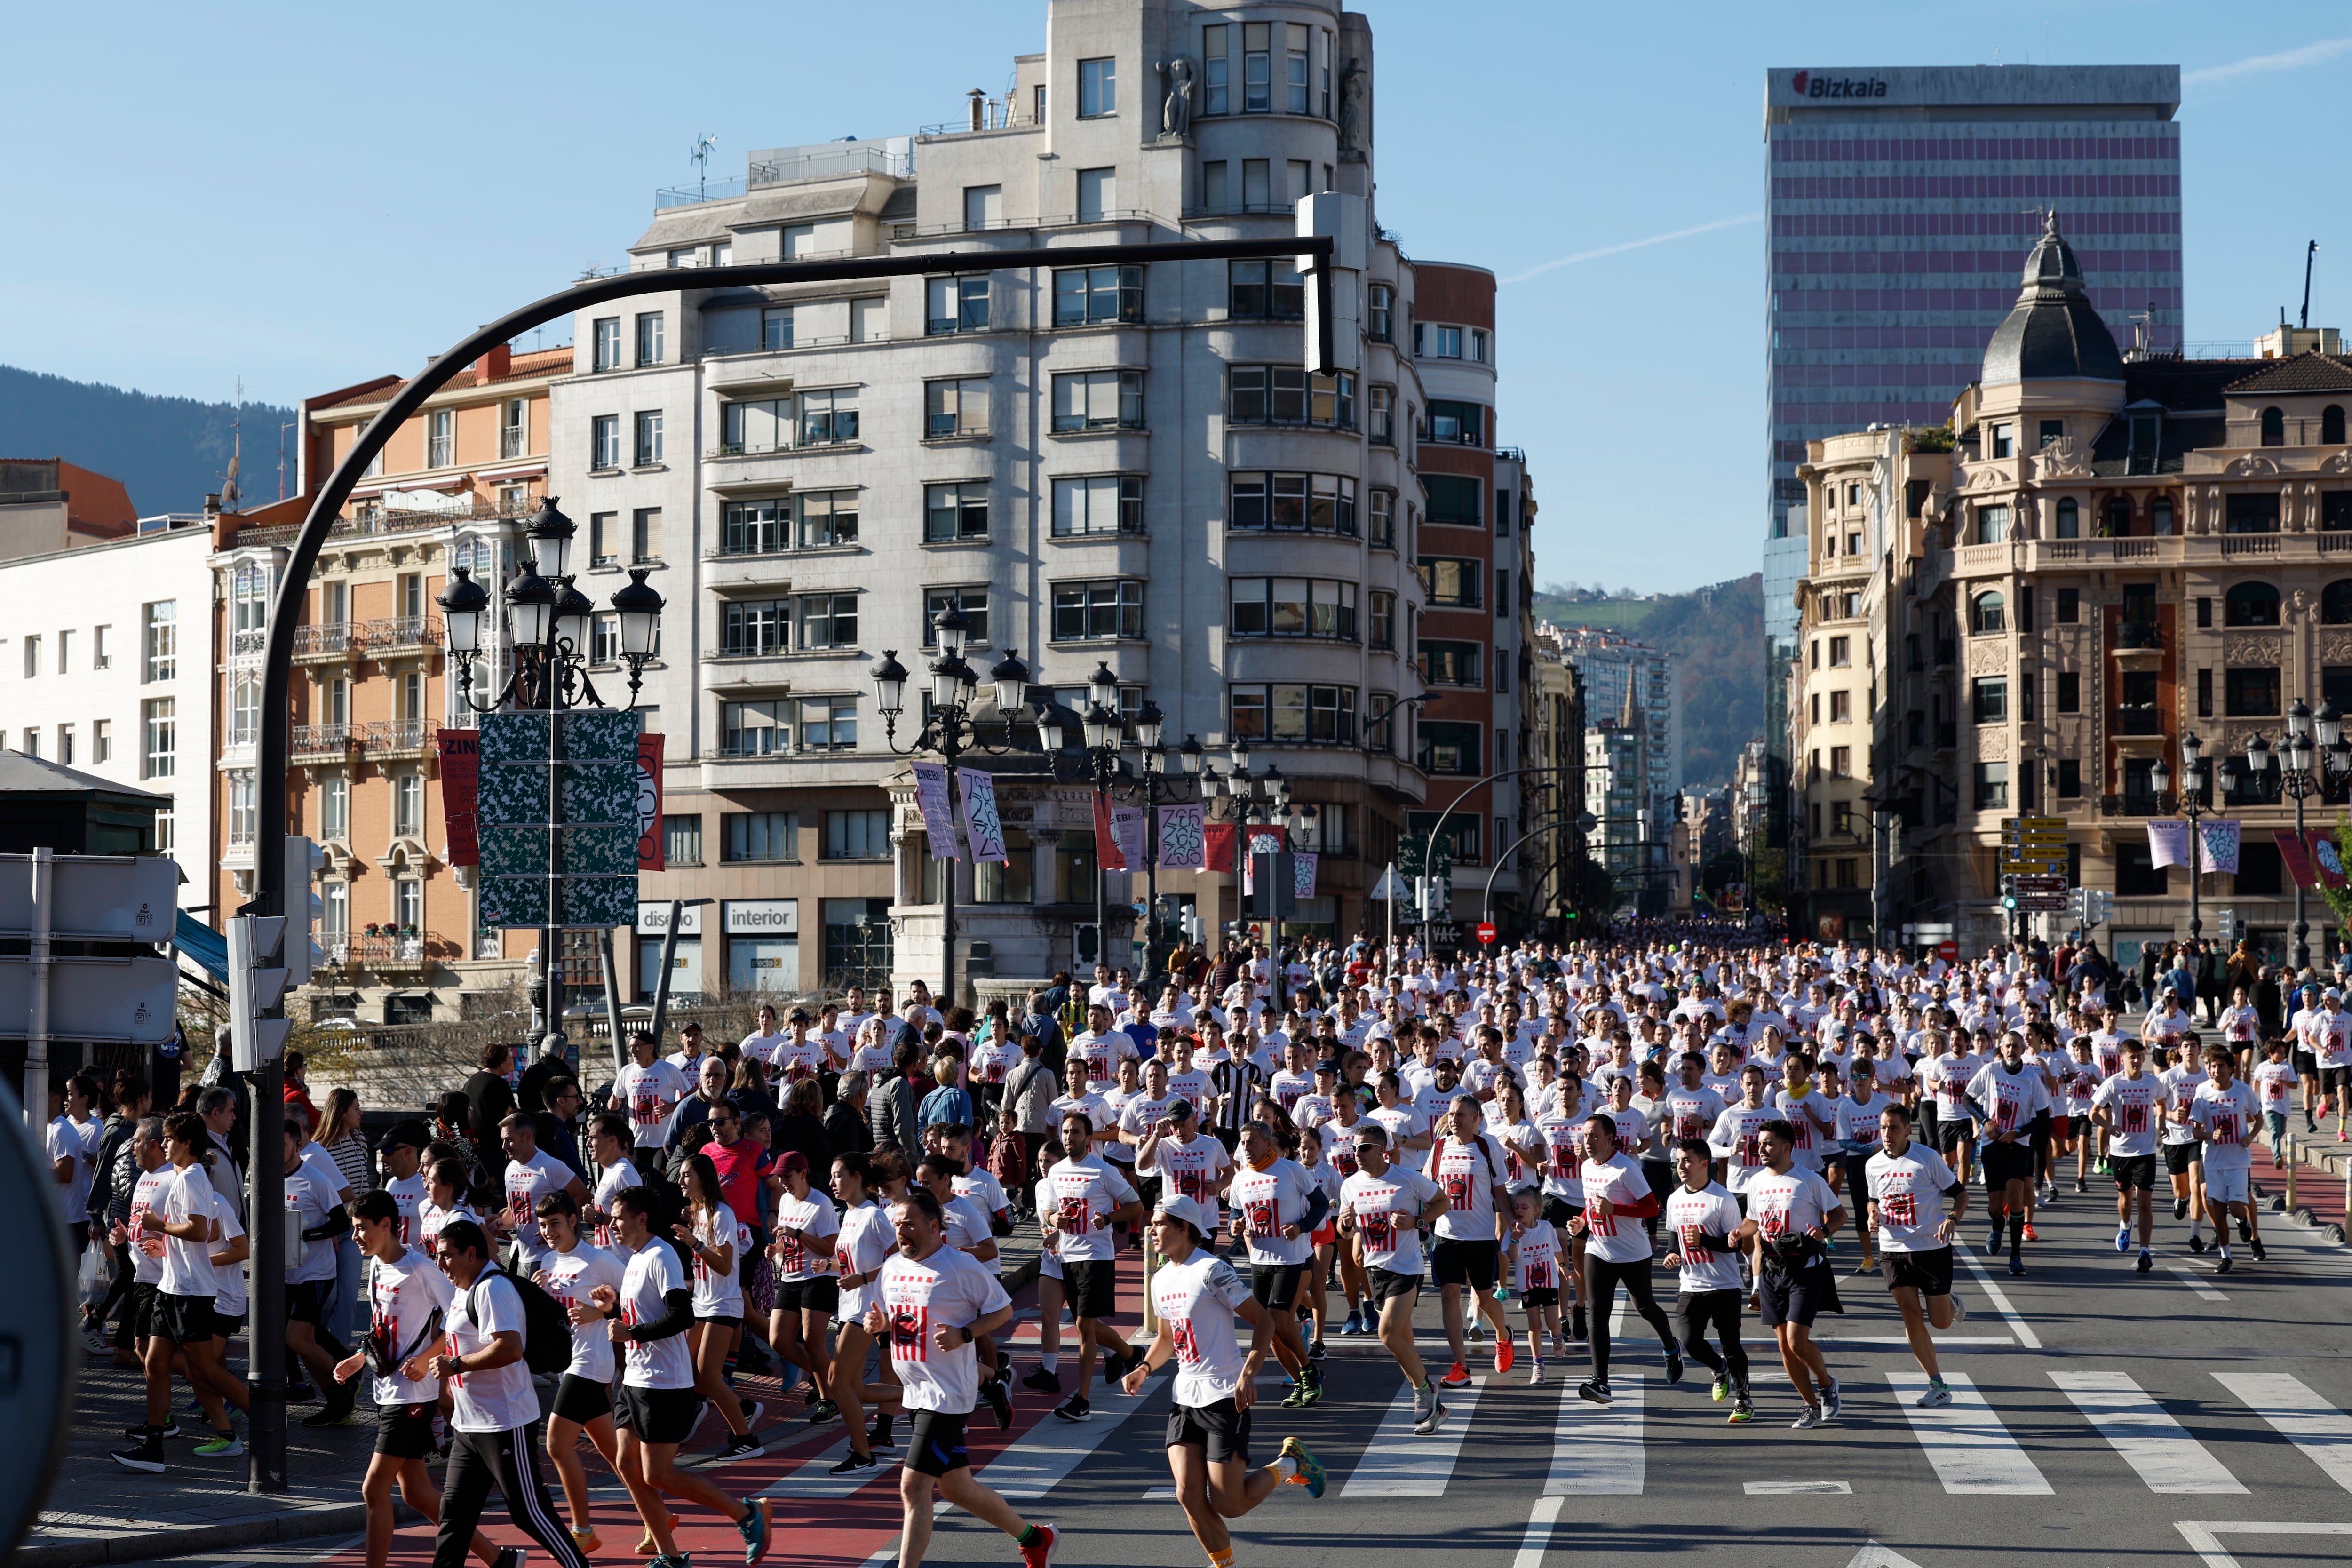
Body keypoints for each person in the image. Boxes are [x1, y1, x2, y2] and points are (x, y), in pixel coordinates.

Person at [858, 1188, 1061, 1568]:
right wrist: (879, 1324)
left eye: (910, 1224)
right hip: (916, 1392)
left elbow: (1002, 1310)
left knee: (913, 1486)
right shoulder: (892, 1267)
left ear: (934, 1227)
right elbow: (892, 1319)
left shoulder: (960, 1266)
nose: (901, 1231)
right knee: (957, 1487)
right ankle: (1037, 1539)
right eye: (897, 1224)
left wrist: (965, 1334)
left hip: (948, 1394)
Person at [1128, 1193, 1326, 1568]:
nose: (1151, 1229)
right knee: (1187, 1493)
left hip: (1223, 1395)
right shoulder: (1161, 1277)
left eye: (1159, 1223)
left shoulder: (1211, 1270)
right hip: (1185, 1397)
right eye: (1151, 1223)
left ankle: (1291, 1464)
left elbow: (1265, 1320)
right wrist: (1144, 1368)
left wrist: (1249, 1370)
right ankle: (1225, 1565)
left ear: (1184, 1227)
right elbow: (1168, 1338)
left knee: (1229, 1505)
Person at [588, 1187, 772, 1568]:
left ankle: (745, 1513)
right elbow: (639, 1317)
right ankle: (669, 1555)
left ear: (641, 1219)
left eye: (619, 1216)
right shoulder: (635, 1258)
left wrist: (632, 1334)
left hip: (664, 1384)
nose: (612, 1223)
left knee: (659, 1473)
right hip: (636, 1381)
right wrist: (611, 1311)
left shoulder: (662, 1255)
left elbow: (681, 1316)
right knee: (627, 1465)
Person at [331, 1190, 510, 1568]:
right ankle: (498, 1558)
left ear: (387, 1225)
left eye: (362, 1229)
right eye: (353, 1229)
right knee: (416, 1493)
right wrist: (360, 1358)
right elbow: (386, 1329)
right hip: (387, 1389)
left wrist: (428, 1357)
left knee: (373, 1488)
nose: (355, 1237)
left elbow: (459, 1316)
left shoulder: (421, 1267)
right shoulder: (378, 1267)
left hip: (413, 1395)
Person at [424, 1218, 595, 1568]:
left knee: (528, 1511)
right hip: (469, 1426)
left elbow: (510, 1348)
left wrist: (456, 1365)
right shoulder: (463, 1288)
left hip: (504, 1421)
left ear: (471, 1253)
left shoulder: (492, 1289)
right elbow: (455, 1335)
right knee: (454, 1516)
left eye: (446, 1256)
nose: (440, 1264)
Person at [111, 1112, 246, 1473]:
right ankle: (154, 1446)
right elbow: (196, 1233)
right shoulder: (184, 1177)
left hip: (191, 1291)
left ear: (186, 1143)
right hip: (170, 1285)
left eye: (169, 1138)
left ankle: (265, 1418)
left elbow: (201, 1231)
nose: (164, 1143)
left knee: (204, 1370)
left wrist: (159, 1225)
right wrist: (163, 1244)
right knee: (154, 1361)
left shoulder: (190, 1178)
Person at [1335, 1122, 1450, 1435]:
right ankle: (1432, 1408)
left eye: (1365, 1148)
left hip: (1407, 1268)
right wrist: (1345, 1225)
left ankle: (1427, 1393)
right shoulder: (1350, 1185)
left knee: (1386, 1334)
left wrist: (1418, 1220)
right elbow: (1346, 1233)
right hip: (1375, 1271)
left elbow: (1443, 1201)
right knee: (1403, 1344)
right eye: (1355, 1148)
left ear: (1382, 1150)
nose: (1357, 1153)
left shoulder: (1407, 1178)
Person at [532, 1189, 629, 1555]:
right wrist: (537, 1294)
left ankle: (583, 1530)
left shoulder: (599, 1260)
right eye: (543, 1225)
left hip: (590, 1362)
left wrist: (601, 1313)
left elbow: (636, 1296)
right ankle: (660, 1514)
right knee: (614, 1453)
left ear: (574, 1221)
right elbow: (547, 1321)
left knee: (557, 1444)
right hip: (568, 1363)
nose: (549, 1232)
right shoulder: (547, 1260)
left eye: (555, 1223)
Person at [1736, 1121, 1847, 1428]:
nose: (1761, 1148)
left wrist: (1823, 1230)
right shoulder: (1756, 1181)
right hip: (1772, 1271)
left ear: (1787, 1147)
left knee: (1797, 1341)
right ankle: (1810, 1404)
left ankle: (1826, 1384)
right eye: (1760, 1143)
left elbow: (1839, 1215)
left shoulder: (1808, 1179)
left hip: (1805, 1269)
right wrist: (1738, 1232)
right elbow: (1752, 1223)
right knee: (1784, 1345)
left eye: (1768, 1143)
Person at [1567, 1112, 1681, 1407]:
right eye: (1585, 1135)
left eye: (1594, 1136)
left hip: (1633, 1253)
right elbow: (1592, 1207)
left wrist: (1615, 1209)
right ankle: (1601, 1381)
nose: (1588, 1141)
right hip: (1599, 1248)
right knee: (1597, 1314)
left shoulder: (1626, 1168)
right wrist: (1582, 1222)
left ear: (1610, 1138)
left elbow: (1652, 1208)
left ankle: (1671, 1347)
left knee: (1645, 1308)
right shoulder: (1587, 1167)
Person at [1862, 1104, 1969, 1409]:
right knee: (1910, 1313)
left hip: (1931, 1248)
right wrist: (1873, 1213)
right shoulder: (1872, 1165)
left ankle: (1949, 1303)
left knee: (1941, 1323)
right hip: (1892, 1249)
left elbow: (1961, 1194)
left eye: (1894, 1128)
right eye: (1883, 1128)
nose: (1887, 1134)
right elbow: (1873, 1198)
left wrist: (1952, 1218)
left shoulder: (1927, 1158)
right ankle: (1937, 1383)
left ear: (1908, 1129)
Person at [1042, 1110, 1142, 1421]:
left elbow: (1135, 1205)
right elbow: (1049, 1209)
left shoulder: (1103, 1170)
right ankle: (1130, 1353)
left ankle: (1082, 1401)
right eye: (1066, 1131)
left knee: (1084, 1326)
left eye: (1076, 1132)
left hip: (1097, 1255)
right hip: (1067, 1256)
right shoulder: (1056, 1171)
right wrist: (1052, 1219)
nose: (1070, 1137)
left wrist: (1109, 1218)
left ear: (1089, 1137)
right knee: (1088, 1324)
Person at [1225, 1120, 1327, 1409]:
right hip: (1258, 1258)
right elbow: (1235, 1212)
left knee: (1277, 1319)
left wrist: (1301, 1226)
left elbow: (1320, 1203)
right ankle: (1301, 1382)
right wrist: (1235, 1225)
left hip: (1291, 1258)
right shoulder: (1241, 1178)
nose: (1246, 1148)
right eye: (1243, 1143)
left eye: (1252, 1142)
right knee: (1267, 1329)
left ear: (1269, 1144)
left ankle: (1309, 1370)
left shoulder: (1291, 1170)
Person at [1423, 1094, 1518, 1387]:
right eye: (1451, 1115)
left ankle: (1503, 1335)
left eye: (1461, 1115)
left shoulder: (1488, 1147)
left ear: (1476, 1119)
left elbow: (1500, 1193)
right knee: (1450, 1296)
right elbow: (1426, 1188)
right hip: (1446, 1236)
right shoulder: (1439, 1149)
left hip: (1480, 1237)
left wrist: (1513, 1224)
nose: (1454, 1120)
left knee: (1485, 1297)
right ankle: (1460, 1366)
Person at [674, 1149, 762, 1460]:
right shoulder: (698, 1213)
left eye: (688, 1174)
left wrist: (694, 1242)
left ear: (704, 1179)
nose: (681, 1179)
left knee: (708, 1375)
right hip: (702, 1304)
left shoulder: (722, 1213)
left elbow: (725, 1266)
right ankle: (744, 1408)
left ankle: (747, 1438)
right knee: (686, 1368)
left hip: (723, 1304)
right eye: (682, 1174)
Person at [1660, 1137, 1751, 1421]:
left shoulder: (1722, 1199)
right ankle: (1719, 1369)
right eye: (1678, 1161)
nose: (1681, 1166)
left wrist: (1704, 1241)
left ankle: (1744, 1399)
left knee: (1731, 1344)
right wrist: (1672, 1255)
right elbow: (1674, 1239)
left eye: (1687, 1161)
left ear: (1704, 1164)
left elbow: (1734, 1244)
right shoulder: (1675, 1199)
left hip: (1724, 1284)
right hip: (1691, 1283)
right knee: (1689, 1341)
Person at [818, 1153, 895, 1474]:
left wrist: (863, 1279)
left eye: (838, 1175)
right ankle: (926, 1393)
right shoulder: (847, 1215)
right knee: (857, 1389)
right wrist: (830, 1266)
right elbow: (855, 1262)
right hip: (848, 1306)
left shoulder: (873, 1215)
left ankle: (863, 1454)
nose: (832, 1182)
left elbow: (899, 1259)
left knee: (836, 1380)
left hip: (867, 1308)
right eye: (832, 1176)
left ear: (858, 1177)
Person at [1967, 1031, 2052, 1277]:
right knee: (1996, 1205)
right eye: (2008, 1046)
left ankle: (2015, 1256)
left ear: (2023, 1048)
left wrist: (2017, 1132)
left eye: (2016, 1046)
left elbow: (2043, 1118)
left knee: (2016, 1196)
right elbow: (1968, 1099)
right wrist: (1985, 1122)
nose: (2012, 1050)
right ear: (2001, 1049)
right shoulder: (1990, 1071)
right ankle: (1997, 1225)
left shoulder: (2031, 1078)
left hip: (2018, 1145)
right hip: (1992, 1143)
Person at [764, 1150, 840, 1421]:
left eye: (788, 1176)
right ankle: (827, 1381)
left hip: (818, 1278)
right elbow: (787, 1245)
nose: (783, 1181)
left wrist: (797, 1234)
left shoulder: (821, 1205)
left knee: (812, 1341)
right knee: (780, 1341)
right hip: (790, 1276)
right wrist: (775, 1249)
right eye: (780, 1177)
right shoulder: (785, 1200)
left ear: (803, 1174)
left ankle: (830, 1399)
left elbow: (831, 1247)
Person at [2187, 1043, 2266, 1272]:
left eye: (2221, 1066)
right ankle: (2226, 1257)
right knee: (2219, 1211)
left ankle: (2243, 1222)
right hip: (2213, 1161)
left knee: (2236, 1207)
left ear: (2231, 1069)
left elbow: (2258, 1119)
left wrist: (2250, 1137)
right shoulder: (2202, 1092)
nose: (2216, 1071)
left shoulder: (2242, 1091)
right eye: (2212, 1066)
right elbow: (2195, 1131)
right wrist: (2209, 1135)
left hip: (2238, 1161)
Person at [2093, 1037, 2164, 1272]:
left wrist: (2161, 1122)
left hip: (2146, 1151)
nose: (2136, 1061)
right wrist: (2109, 1126)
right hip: (2121, 1151)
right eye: (2131, 1057)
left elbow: (2161, 1102)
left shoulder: (2153, 1082)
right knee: (2126, 1201)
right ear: (2122, 1059)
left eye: (2139, 1056)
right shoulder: (2113, 1083)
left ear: (2144, 1058)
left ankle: (2145, 1251)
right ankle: (2125, 1225)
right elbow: (2093, 1113)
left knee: (2145, 1202)